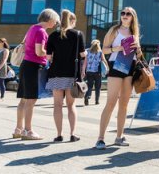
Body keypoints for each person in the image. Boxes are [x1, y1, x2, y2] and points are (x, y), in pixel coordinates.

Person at [95, 7, 144, 149]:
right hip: (116, 65)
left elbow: (139, 55)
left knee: (124, 104)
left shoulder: (134, 33)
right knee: (111, 102)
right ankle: (100, 138)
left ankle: (119, 136)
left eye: (128, 14)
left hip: (130, 66)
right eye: (122, 13)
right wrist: (117, 49)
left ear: (133, 17)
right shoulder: (114, 30)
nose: (125, 15)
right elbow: (103, 49)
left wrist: (138, 49)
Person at [14, 8, 60, 140]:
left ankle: (18, 129)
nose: (56, 24)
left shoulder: (32, 28)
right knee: (31, 100)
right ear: (50, 19)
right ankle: (28, 131)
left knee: (24, 99)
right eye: (56, 21)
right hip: (34, 66)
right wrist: (51, 53)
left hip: (26, 64)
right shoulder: (41, 32)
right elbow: (39, 52)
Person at [46, 10, 86, 142]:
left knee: (57, 105)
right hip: (71, 75)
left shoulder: (52, 35)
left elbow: (48, 57)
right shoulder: (78, 34)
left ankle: (59, 135)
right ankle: (73, 134)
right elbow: (82, 55)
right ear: (72, 21)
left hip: (56, 74)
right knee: (71, 105)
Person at [83, 39, 108, 106]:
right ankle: (97, 101)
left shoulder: (87, 51)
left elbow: (85, 63)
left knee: (89, 86)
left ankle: (87, 96)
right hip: (97, 72)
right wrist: (107, 68)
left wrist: (83, 71)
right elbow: (104, 61)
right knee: (97, 87)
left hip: (89, 72)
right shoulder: (100, 52)